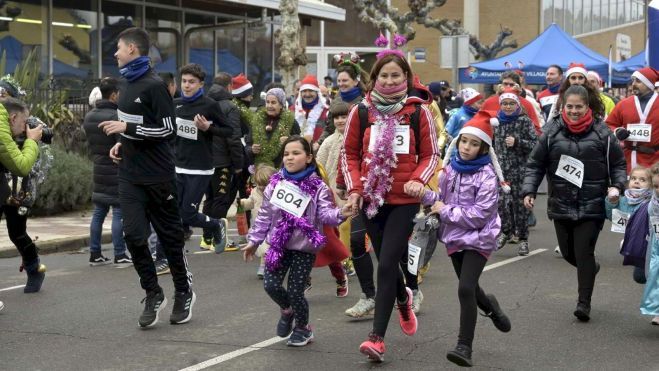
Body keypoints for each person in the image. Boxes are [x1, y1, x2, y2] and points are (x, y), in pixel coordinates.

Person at [341, 49, 439, 362]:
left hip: (404, 200)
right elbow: (349, 154)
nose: (390, 79)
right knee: (386, 260)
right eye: (384, 75)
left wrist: (419, 180)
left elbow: (431, 155)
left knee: (385, 265)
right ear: (375, 78)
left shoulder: (417, 111)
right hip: (371, 198)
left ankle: (377, 339)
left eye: (396, 75)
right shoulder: (362, 111)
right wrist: (355, 188)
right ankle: (402, 297)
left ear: (406, 78)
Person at [99, 27, 195, 327]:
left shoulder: (154, 86)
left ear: (132, 49)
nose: (115, 53)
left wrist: (127, 131)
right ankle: (153, 292)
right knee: (134, 236)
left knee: (169, 240)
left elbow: (168, 130)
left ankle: (184, 291)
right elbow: (131, 127)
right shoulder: (124, 85)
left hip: (158, 176)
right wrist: (121, 143)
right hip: (129, 175)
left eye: (118, 47)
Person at [523, 85, 627, 322]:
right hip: (561, 202)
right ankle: (589, 268)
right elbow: (535, 164)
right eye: (570, 106)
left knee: (584, 252)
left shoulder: (603, 133)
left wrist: (617, 187)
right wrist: (529, 190)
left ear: (587, 106)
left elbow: (619, 165)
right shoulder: (551, 131)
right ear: (563, 106)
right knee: (570, 253)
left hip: (592, 204)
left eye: (579, 106)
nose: (574, 111)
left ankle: (584, 303)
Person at [420, 110, 512, 367]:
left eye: (474, 143)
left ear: (483, 148)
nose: (467, 147)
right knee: (470, 287)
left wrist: (443, 211)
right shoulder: (448, 169)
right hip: (454, 238)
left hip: (480, 239)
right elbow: (438, 197)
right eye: (464, 141)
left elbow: (480, 216)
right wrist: (423, 194)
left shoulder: (487, 176)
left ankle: (464, 347)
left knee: (464, 289)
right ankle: (490, 306)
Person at [242, 136, 353, 346]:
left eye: (296, 153)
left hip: (304, 248)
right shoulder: (273, 186)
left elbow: (326, 214)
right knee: (270, 285)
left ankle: (303, 328)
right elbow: (264, 216)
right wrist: (254, 241)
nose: (290, 158)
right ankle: (287, 310)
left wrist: (341, 213)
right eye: (286, 154)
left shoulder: (318, 187)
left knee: (295, 290)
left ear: (309, 157)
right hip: (278, 246)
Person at [174, 64, 234, 253]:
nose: (187, 85)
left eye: (191, 82)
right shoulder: (175, 105)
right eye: (184, 81)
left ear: (201, 84)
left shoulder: (209, 105)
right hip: (178, 166)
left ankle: (215, 224)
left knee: (188, 214)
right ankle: (172, 251)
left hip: (200, 167)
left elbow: (228, 130)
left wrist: (208, 128)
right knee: (175, 213)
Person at [82, 77, 132, 266]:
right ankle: (120, 253)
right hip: (116, 169)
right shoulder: (116, 116)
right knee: (119, 212)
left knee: (98, 213)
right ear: (113, 95)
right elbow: (121, 146)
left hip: (98, 168)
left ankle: (95, 253)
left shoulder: (90, 116)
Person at [0, 97, 45, 293]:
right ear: (12, 117)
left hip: (19, 188)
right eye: (23, 121)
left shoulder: (28, 130)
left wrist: (31, 140)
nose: (25, 125)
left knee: (16, 232)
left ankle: (34, 269)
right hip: (3, 185)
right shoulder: (5, 129)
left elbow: (25, 165)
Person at [203, 72, 246, 251]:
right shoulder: (229, 107)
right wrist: (238, 164)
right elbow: (234, 138)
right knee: (221, 200)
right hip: (223, 161)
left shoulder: (204, 103)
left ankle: (206, 238)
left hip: (205, 160)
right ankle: (218, 239)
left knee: (210, 199)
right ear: (229, 86)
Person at [493, 88, 538, 255]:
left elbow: (536, 144)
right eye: (504, 103)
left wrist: (518, 142)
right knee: (501, 204)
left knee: (520, 207)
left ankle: (523, 239)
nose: (508, 106)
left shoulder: (524, 121)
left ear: (517, 105)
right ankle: (506, 232)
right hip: (502, 172)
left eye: (512, 103)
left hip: (520, 171)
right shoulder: (495, 122)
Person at [606, 67, 659, 171]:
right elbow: (608, 125)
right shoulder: (624, 104)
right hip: (627, 161)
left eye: (638, 81)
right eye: (633, 80)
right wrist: (617, 131)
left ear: (649, 84)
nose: (633, 84)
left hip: (654, 162)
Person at [605, 166, 652, 282]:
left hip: (650, 242)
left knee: (643, 276)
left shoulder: (651, 200)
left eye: (642, 180)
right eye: (633, 178)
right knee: (640, 277)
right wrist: (612, 202)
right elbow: (613, 217)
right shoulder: (624, 200)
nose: (636, 181)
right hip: (638, 245)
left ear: (651, 185)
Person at [238, 164, 276, 278]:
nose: (262, 187)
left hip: (273, 226)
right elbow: (250, 202)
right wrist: (242, 203)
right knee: (264, 248)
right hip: (259, 226)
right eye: (259, 184)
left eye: (265, 185)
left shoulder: (277, 193)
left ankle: (266, 266)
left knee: (267, 248)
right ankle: (265, 266)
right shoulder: (255, 191)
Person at [246, 88, 301, 168]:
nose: (269, 106)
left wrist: (289, 141)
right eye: (267, 102)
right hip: (259, 170)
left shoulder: (291, 122)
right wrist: (251, 149)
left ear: (281, 105)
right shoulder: (257, 120)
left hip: (282, 170)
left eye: (273, 102)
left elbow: (300, 146)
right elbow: (247, 146)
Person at [640, 163, 659, 325]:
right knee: (653, 276)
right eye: (656, 186)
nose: (658, 190)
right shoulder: (650, 199)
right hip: (655, 245)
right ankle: (657, 310)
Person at [292, 75, 328, 146]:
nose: (307, 94)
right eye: (304, 91)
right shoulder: (292, 110)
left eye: (311, 91)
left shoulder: (326, 111)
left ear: (317, 92)